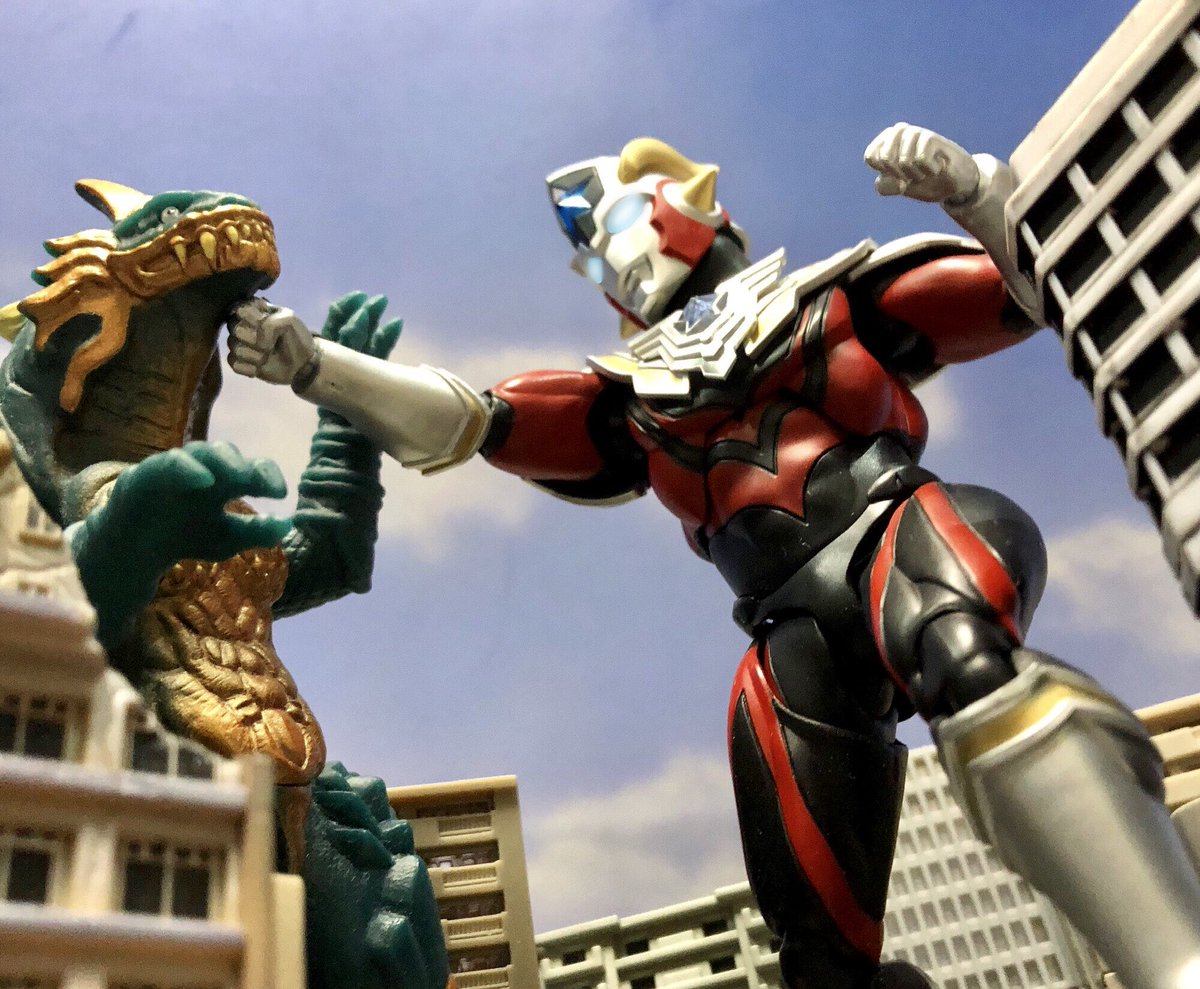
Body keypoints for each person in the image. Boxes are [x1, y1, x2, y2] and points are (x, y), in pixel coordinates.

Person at [227, 124, 1200, 989]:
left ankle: (1172, 952)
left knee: (966, 657)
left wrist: (977, 195)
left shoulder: (829, 303)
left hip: (896, 530)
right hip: (790, 626)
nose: (610, 258)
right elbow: (476, 420)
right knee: (816, 945)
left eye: (619, 222)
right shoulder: (633, 398)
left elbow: (1022, 292)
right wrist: (318, 367)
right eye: (593, 252)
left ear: (690, 207)